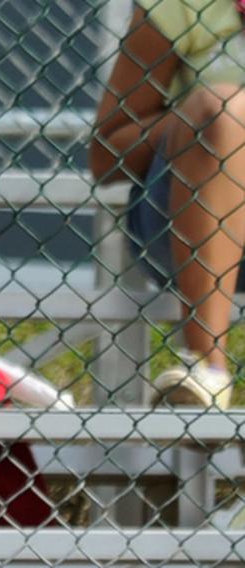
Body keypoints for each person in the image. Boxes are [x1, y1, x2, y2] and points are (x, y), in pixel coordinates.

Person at [90, 0, 245, 409]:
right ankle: (206, 371)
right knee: (225, 110)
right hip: (188, 219)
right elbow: (107, 153)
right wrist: (206, 118)